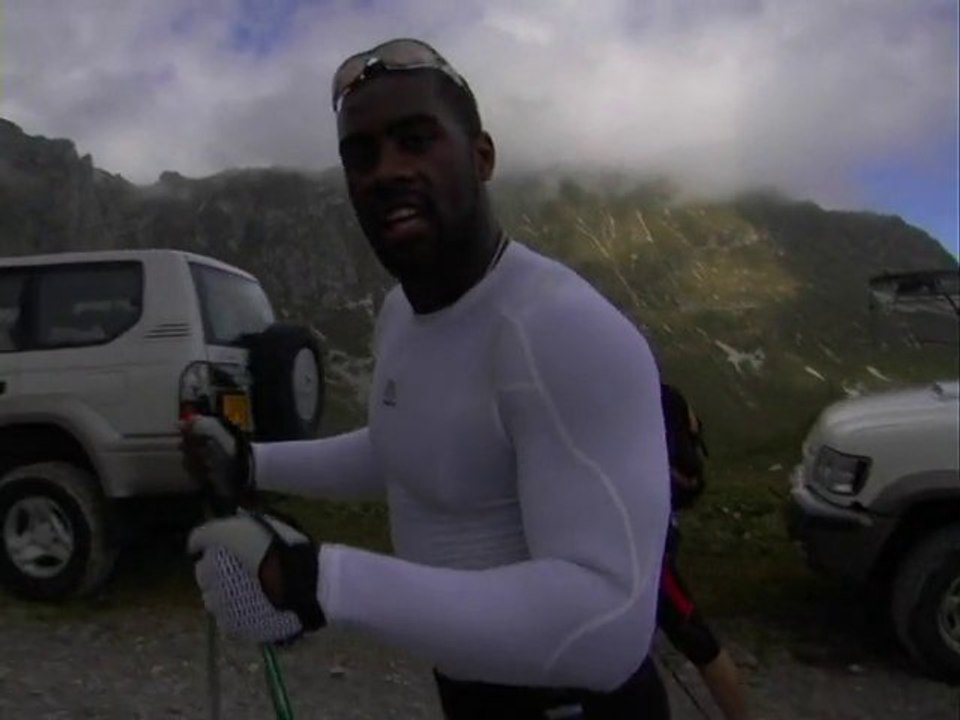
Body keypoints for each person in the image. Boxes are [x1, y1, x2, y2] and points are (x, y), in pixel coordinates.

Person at [182, 38, 672, 719]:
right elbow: (401, 446)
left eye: (416, 140)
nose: (387, 172)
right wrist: (250, 462)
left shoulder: (560, 330)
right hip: (469, 697)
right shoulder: (402, 314)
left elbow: (608, 626)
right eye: (363, 155)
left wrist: (315, 581)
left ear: (481, 156)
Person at [656, 384, 750, 720]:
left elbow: (687, 474)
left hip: (648, 552)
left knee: (697, 639)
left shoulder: (654, 396)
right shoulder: (665, 392)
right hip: (647, 539)